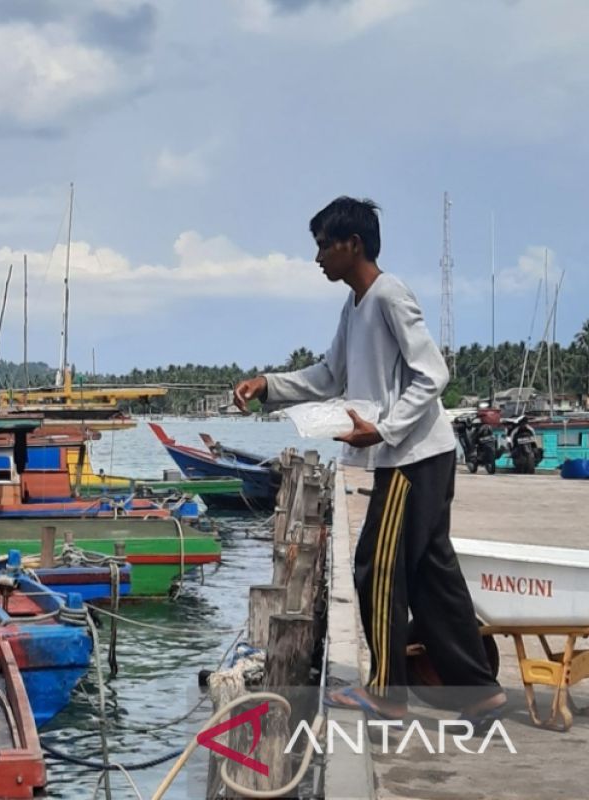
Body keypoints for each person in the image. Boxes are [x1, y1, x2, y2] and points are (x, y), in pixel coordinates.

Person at [232, 196, 506, 725]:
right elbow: (329, 376)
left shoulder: (388, 294)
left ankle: (386, 694)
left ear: (351, 244)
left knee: (374, 567)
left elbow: (434, 374)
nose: (317, 259)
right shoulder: (354, 306)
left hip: (414, 457)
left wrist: (383, 428)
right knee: (430, 574)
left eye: (323, 246)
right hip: (409, 458)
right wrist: (269, 385)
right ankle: (477, 689)